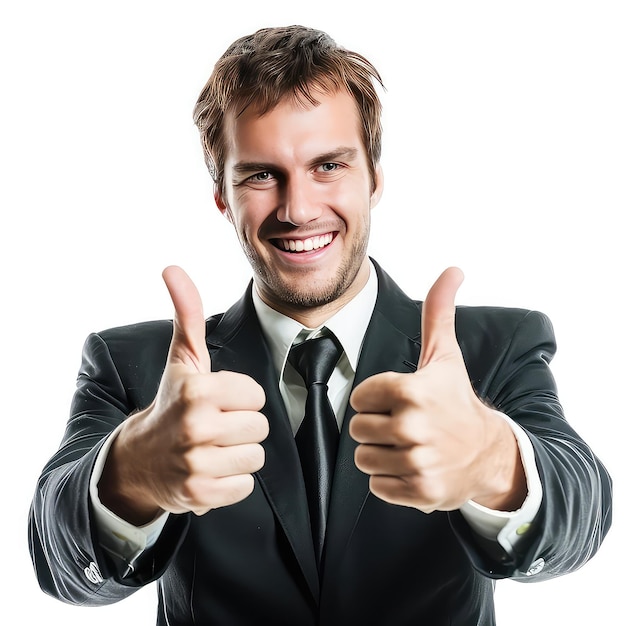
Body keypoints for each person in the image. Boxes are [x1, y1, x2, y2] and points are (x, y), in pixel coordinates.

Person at [28, 25, 612, 625]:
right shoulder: (133, 364)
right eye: (260, 175)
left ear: (375, 178)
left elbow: (583, 522)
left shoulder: (492, 348)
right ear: (222, 197)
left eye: (328, 165)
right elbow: (58, 565)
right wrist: (129, 474)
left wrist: (494, 461)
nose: (298, 208)